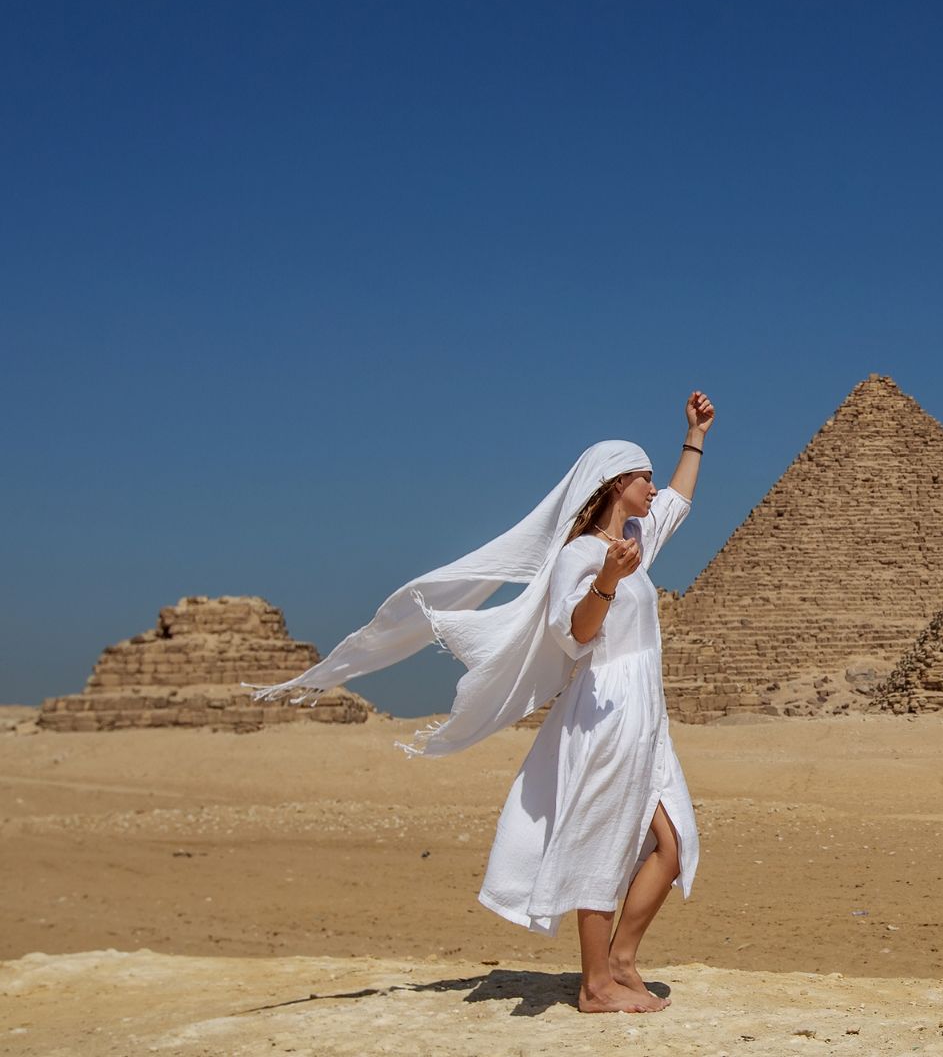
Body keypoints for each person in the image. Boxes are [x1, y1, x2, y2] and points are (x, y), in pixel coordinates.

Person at [250, 390, 717, 1015]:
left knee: (672, 842)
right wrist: (608, 580)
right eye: (646, 478)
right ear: (615, 483)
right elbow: (576, 633)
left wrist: (696, 434)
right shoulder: (580, 557)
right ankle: (594, 984)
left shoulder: (636, 538)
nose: (655, 489)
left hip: (644, 712)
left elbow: (680, 504)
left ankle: (621, 959)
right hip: (603, 707)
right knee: (600, 838)